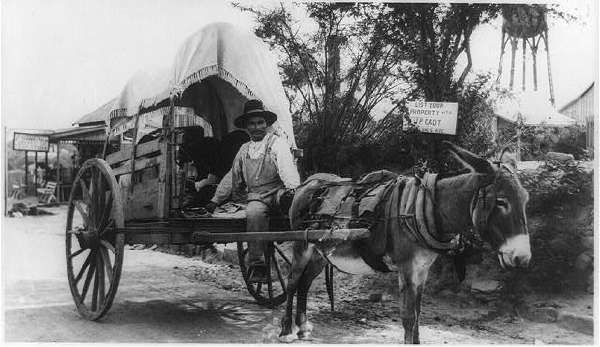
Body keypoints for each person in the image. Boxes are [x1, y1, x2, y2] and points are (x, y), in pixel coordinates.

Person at [205, 99, 300, 283]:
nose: (257, 127)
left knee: (293, 204)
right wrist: (215, 200)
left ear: (266, 124)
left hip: (278, 193)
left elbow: (287, 169)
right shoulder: (244, 150)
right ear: (247, 127)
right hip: (258, 198)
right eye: (252, 124)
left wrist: (292, 190)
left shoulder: (277, 144)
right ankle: (258, 264)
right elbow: (231, 177)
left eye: (260, 123)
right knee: (254, 211)